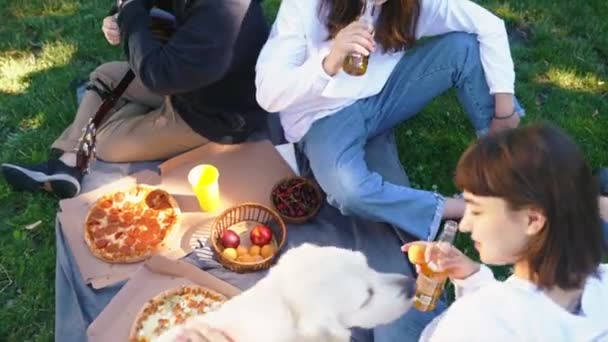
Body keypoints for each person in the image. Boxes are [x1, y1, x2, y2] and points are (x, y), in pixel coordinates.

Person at [255, 0, 524, 242]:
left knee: (463, 47)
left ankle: (498, 164)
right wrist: (329, 61)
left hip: (384, 95)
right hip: (323, 115)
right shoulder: (305, 6)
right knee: (349, 191)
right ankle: (458, 208)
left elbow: (489, 25)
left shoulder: (409, 5)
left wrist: (504, 112)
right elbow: (268, 94)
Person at [1, 0, 269, 198]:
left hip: (214, 116)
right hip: (184, 84)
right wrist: (118, 18)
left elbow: (159, 76)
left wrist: (131, 16)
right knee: (105, 75)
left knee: (104, 141)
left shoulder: (224, 11)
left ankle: (89, 142)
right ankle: (68, 163)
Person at [402, 124, 608, 340]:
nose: (464, 225)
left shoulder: (475, 319)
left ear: (532, 219)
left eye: (477, 210)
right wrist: (472, 278)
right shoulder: (601, 285)